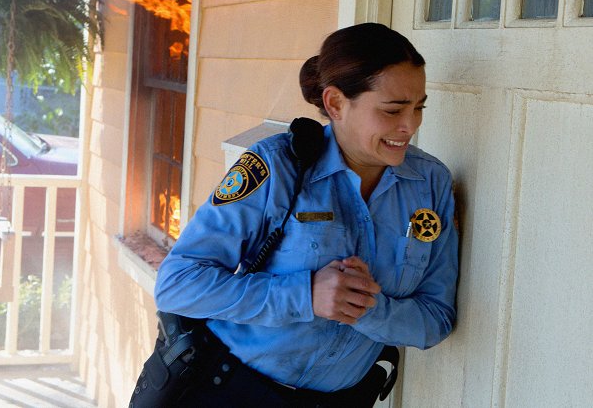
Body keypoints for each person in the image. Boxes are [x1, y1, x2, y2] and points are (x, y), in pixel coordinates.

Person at [146, 22, 458, 407]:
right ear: (335, 104)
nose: (409, 126)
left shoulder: (430, 184)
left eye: (418, 107)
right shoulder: (278, 166)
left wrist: (367, 309)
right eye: (393, 109)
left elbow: (437, 319)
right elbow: (178, 284)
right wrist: (305, 295)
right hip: (227, 390)